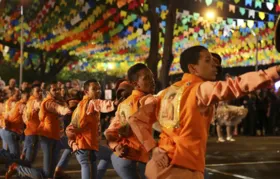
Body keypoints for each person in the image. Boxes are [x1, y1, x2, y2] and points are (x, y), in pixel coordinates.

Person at [128, 45, 280, 179]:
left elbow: (135, 119)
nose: (215, 65)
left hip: (158, 166)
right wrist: (274, 72)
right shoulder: (200, 89)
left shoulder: (164, 93)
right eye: (208, 60)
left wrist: (152, 149)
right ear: (193, 68)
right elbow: (235, 86)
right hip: (184, 168)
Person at [105, 63, 156, 179]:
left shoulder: (123, 105)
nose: (152, 81)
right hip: (139, 159)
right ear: (134, 84)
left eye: (152, 77)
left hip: (121, 158)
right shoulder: (149, 100)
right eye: (147, 78)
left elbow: (109, 132)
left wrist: (115, 146)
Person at [66, 79, 117, 179]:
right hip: (85, 148)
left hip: (86, 147)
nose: (98, 91)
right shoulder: (90, 103)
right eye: (94, 89)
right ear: (86, 92)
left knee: (110, 156)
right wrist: (114, 104)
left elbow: (72, 127)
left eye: (99, 89)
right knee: (111, 156)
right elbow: (100, 104)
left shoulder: (81, 105)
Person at [36, 82, 72, 178]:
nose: (57, 91)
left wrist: (63, 103)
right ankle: (19, 168)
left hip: (57, 136)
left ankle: (58, 170)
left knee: (51, 169)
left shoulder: (59, 100)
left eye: (58, 89)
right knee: (47, 171)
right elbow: (58, 108)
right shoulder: (48, 102)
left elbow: (62, 106)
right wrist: (65, 110)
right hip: (47, 136)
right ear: (48, 92)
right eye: (54, 90)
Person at [2, 91, 29, 158]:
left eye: (19, 95)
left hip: (7, 130)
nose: (18, 97)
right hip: (9, 131)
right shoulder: (17, 104)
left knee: (10, 152)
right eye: (17, 95)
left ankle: (9, 166)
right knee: (15, 154)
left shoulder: (15, 103)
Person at [21, 84, 42, 163]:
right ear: (32, 93)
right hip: (33, 131)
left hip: (31, 130)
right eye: (37, 91)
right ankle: (23, 172)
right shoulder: (35, 102)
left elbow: (24, 116)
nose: (40, 93)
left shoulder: (29, 101)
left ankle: (22, 172)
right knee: (30, 156)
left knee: (26, 153)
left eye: (40, 91)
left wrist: (27, 123)